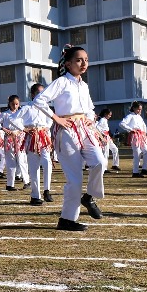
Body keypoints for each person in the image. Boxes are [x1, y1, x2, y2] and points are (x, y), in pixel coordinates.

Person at [32, 46, 106, 231]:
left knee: (99, 162)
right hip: (66, 131)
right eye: (79, 60)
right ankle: (67, 219)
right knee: (75, 178)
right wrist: (56, 118)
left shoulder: (84, 85)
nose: (84, 63)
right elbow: (39, 100)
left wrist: (91, 122)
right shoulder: (62, 82)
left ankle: (89, 197)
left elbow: (89, 108)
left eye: (86, 60)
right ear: (68, 64)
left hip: (84, 129)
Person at [13, 84, 54, 204]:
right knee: (34, 167)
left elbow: (51, 119)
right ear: (33, 95)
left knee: (47, 162)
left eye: (43, 93)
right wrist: (23, 129)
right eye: (39, 93)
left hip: (43, 137)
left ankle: (47, 190)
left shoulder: (45, 107)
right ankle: (35, 195)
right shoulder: (27, 108)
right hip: (31, 138)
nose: (42, 96)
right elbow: (13, 118)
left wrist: (46, 127)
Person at [0, 95, 30, 191]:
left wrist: (23, 130)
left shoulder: (21, 114)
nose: (15, 106)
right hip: (9, 139)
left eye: (17, 104)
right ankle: (10, 184)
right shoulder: (5, 114)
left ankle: (26, 181)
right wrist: (3, 128)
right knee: (10, 161)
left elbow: (25, 125)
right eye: (13, 104)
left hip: (20, 138)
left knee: (22, 159)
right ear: (9, 104)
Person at [119, 102, 147, 178]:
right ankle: (135, 172)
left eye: (140, 109)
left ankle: (144, 169)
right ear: (134, 108)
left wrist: (145, 134)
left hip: (142, 136)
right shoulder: (130, 116)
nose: (140, 111)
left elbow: (143, 126)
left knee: (146, 151)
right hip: (135, 136)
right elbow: (121, 123)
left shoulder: (139, 117)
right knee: (137, 154)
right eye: (138, 109)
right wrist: (131, 129)